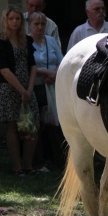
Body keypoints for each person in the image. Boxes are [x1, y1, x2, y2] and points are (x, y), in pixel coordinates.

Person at [0, 6, 39, 176]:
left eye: (18, 19)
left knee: (31, 125)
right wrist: (21, 90)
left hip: (27, 86)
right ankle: (17, 167)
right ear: (6, 20)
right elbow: (3, 69)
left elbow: (33, 66)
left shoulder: (26, 40)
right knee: (13, 124)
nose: (15, 22)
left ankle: (28, 165)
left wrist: (29, 89)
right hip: (9, 87)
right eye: (11, 19)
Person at [29, 11, 64, 170]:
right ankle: (40, 160)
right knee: (40, 125)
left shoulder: (50, 40)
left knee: (55, 124)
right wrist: (46, 73)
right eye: (36, 24)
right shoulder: (27, 42)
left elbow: (62, 60)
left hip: (53, 85)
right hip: (36, 86)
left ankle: (57, 159)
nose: (40, 27)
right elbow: (29, 66)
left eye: (42, 24)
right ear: (30, 25)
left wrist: (54, 74)